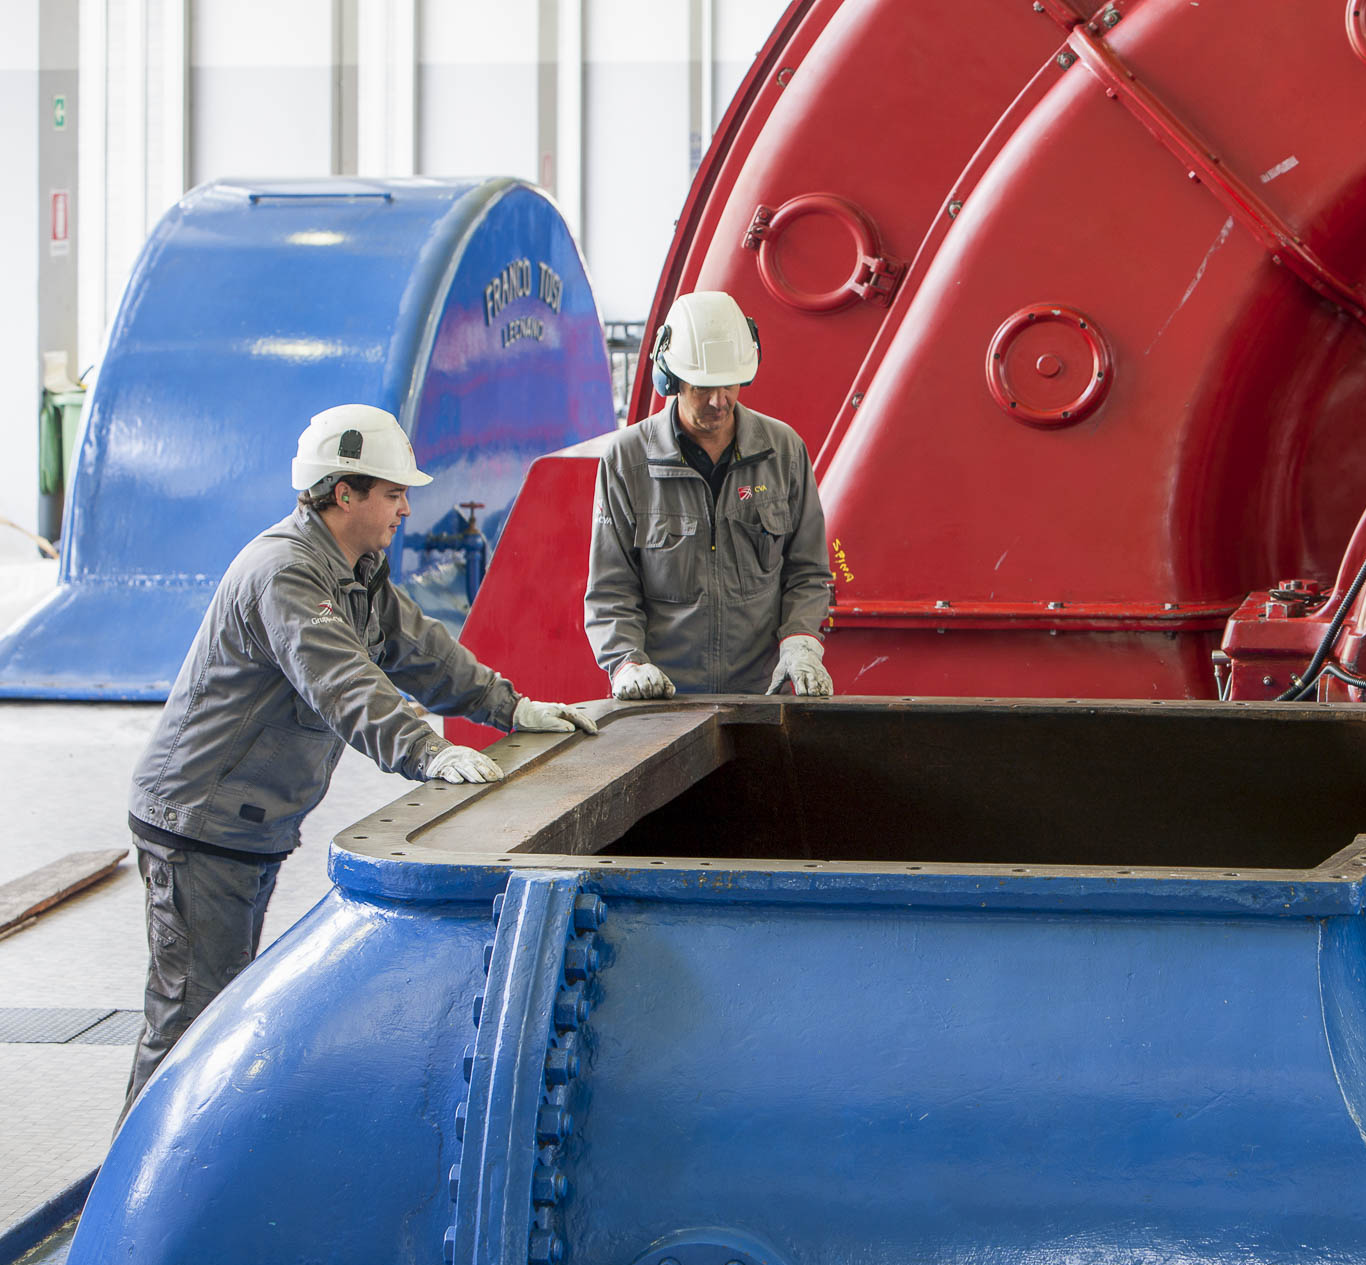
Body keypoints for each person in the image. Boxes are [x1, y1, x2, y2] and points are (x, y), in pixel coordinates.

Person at [121, 403, 598, 1115]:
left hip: (248, 825)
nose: (407, 507)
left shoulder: (359, 571)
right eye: (393, 492)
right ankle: (132, 1208)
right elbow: (342, 682)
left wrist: (511, 707)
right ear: (345, 494)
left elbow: (423, 652)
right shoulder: (285, 573)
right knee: (191, 1022)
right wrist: (426, 752)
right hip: (199, 823)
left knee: (214, 1014)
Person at [585, 290, 833, 698]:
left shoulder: (784, 451)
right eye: (703, 387)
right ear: (672, 379)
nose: (720, 401)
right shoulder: (628, 461)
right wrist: (626, 661)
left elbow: (807, 571)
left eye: (729, 384)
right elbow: (612, 587)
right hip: (664, 699)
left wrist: (800, 640)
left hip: (762, 695)